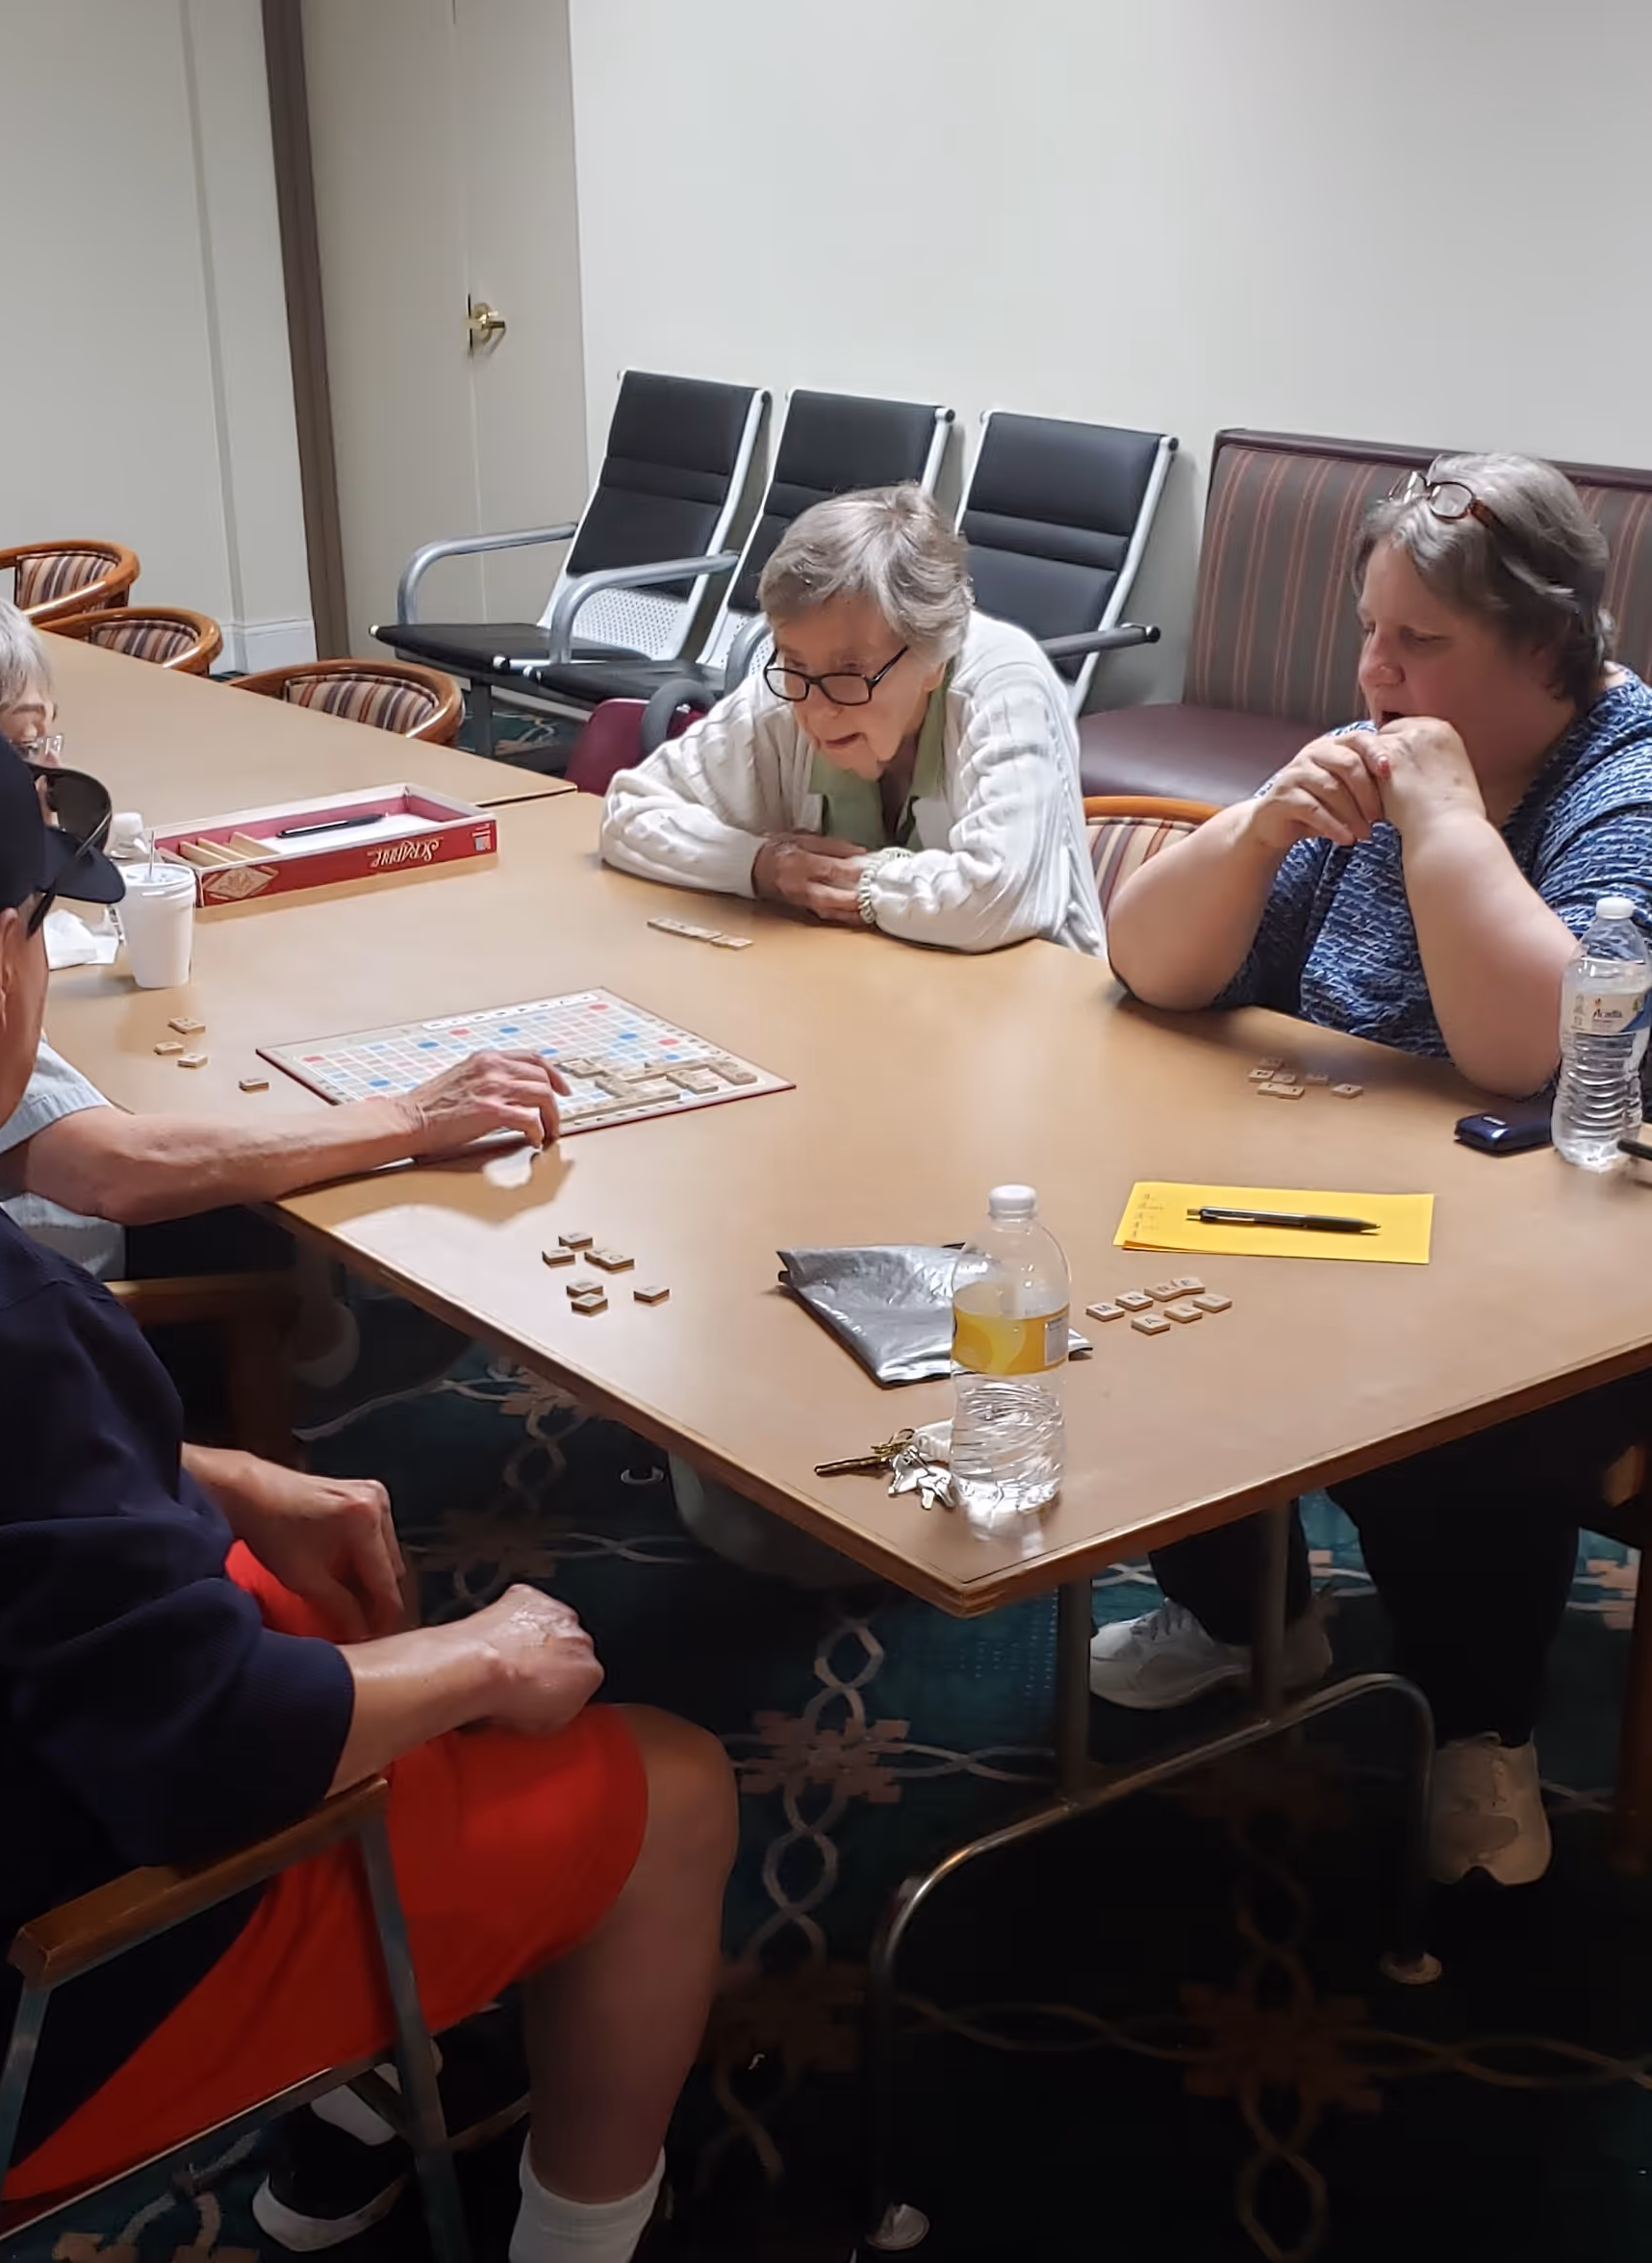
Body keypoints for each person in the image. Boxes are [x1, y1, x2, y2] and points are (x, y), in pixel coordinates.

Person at [0, 685, 737, 2261]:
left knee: (312, 1618)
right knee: (673, 1782)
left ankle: (370, 2094)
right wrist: (487, 1651)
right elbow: (212, 1755)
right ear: (0, 958)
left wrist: (211, 1471)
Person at [1092, 452, 1652, 1886]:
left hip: (1579, 1241)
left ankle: (1482, 1726)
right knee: (1157, 1276)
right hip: (1353, 1187)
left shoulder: (1626, 773)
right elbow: (1152, 966)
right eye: (1369, 631)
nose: (1376, 672)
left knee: (1457, 1411)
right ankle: (1244, 1616)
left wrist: (1450, 823)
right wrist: (1264, 824)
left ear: (1547, 647)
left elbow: (1536, 1046)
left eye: (1422, 642)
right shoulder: (1372, 743)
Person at [0, 570, 567, 1429]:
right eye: (27, 750)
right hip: (17, 1334)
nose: (50, 781)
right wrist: (413, 1117)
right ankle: (310, 1371)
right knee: (239, 1183)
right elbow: (112, 1170)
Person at [598, 485, 1105, 956]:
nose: (817, 708)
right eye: (793, 662)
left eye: (850, 673)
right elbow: (627, 815)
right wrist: (762, 866)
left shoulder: (1003, 679)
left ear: (934, 654)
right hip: (865, 995)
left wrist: (854, 885)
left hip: (1034, 1012)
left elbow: (999, 897)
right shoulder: (787, 689)